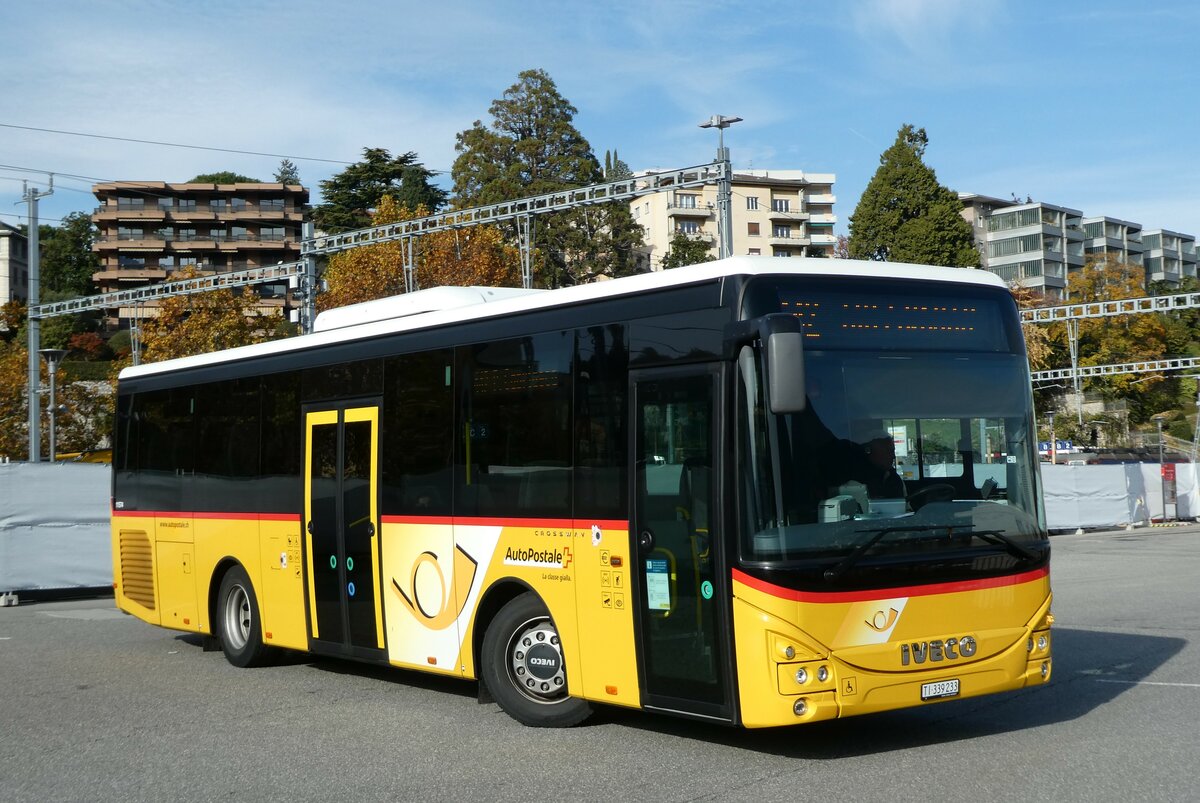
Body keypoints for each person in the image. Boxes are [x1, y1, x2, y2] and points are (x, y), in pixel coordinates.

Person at [859, 430, 906, 499]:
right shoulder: (857, 480)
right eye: (888, 451)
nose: (893, 456)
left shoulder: (895, 479)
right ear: (871, 452)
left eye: (893, 451)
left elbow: (906, 507)